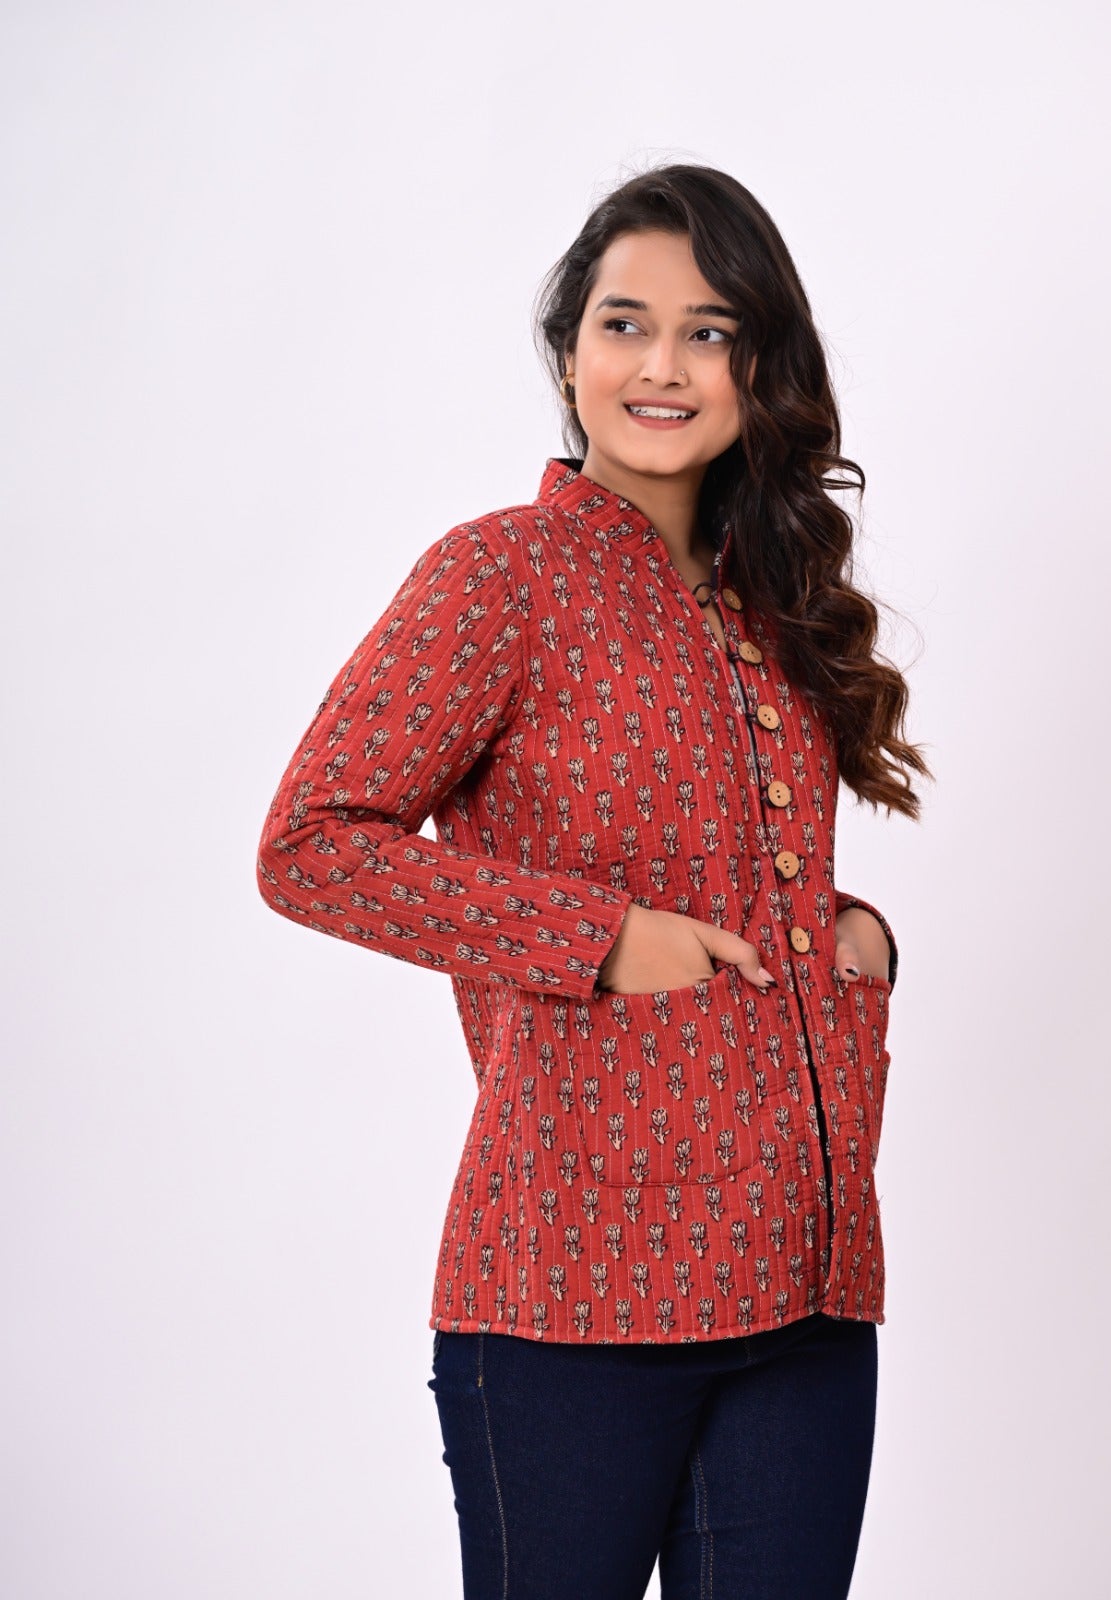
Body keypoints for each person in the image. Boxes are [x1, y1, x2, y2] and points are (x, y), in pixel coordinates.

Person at [256, 162, 929, 1600]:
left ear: (760, 367)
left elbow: (746, 862)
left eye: (709, 332)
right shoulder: (500, 576)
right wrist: (600, 939)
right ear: (569, 354)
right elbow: (312, 843)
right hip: (573, 1294)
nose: (662, 366)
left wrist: (850, 934)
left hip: (808, 1285)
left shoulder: (774, 599)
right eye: (626, 324)